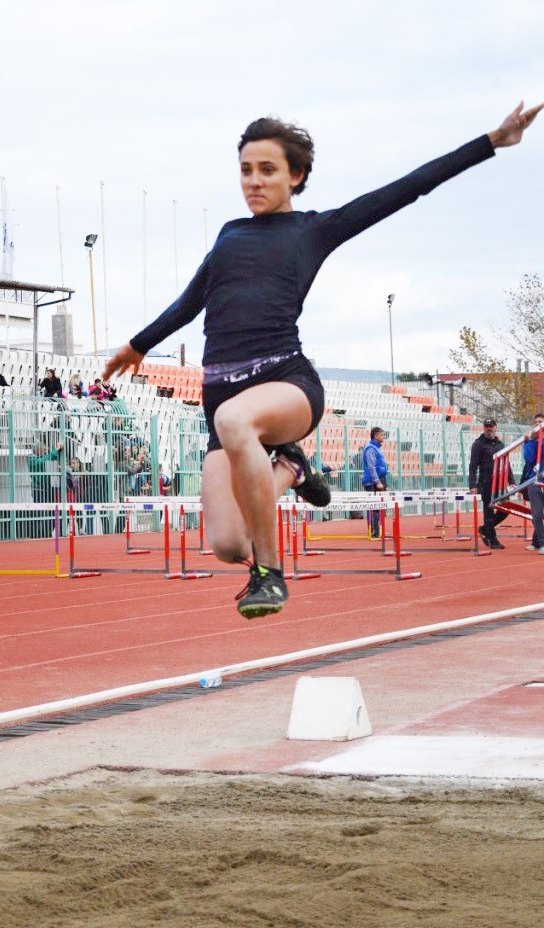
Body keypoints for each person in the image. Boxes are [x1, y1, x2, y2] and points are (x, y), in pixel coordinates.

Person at [104, 100, 542, 619]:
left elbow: (404, 189)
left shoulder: (313, 231)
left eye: (267, 170)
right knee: (225, 542)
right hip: (221, 395)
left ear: (297, 175)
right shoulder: (229, 235)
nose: (254, 181)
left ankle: (269, 574)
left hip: (286, 382)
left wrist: (491, 141)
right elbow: (190, 300)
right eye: (245, 170)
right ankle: (290, 465)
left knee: (235, 419)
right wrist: (139, 344)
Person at [469, 417, 514, 549]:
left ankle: (485, 529)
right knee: (489, 511)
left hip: (500, 483)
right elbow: (473, 466)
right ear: (484, 428)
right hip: (486, 482)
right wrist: (472, 485)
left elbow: (507, 463)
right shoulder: (478, 444)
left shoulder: (500, 444)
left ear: (495, 427)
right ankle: (493, 539)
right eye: (486, 426)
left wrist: (511, 481)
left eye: (491, 426)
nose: (489, 429)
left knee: (506, 509)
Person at [522, 413, 544, 553]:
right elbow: (529, 459)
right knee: (536, 515)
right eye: (535, 422)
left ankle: (537, 542)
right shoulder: (532, 442)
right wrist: (529, 441)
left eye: (540, 422)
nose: (537, 424)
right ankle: (541, 543)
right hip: (534, 481)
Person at [362, 427, 388, 538]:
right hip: (372, 482)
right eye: (382, 435)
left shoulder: (376, 448)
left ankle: (377, 530)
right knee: (375, 507)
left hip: (379, 479)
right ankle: (374, 532)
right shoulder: (370, 449)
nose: (383, 437)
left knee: (379, 507)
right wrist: (377, 482)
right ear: (375, 435)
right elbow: (371, 467)